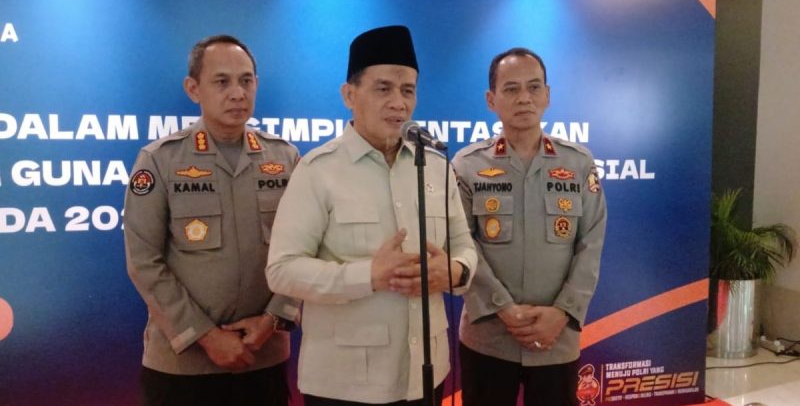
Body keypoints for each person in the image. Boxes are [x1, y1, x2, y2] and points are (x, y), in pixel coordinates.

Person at [266, 25, 478, 406]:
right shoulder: (318, 170)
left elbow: (464, 247)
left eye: (408, 90)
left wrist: (456, 270)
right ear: (349, 95)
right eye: (383, 89)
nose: (399, 102)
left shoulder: (435, 167)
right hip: (344, 385)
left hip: (427, 374)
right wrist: (370, 275)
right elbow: (282, 270)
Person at [124, 35, 300, 406]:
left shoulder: (285, 158)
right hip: (183, 367)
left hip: (262, 358)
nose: (238, 93)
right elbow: (144, 262)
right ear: (193, 89)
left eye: (246, 81)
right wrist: (205, 336)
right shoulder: (160, 160)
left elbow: (305, 250)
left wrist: (272, 320)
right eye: (222, 82)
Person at [452, 48, 607, 406]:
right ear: (491, 100)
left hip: (557, 338)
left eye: (534, 87)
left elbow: (591, 242)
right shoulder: (467, 165)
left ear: (547, 95)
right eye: (511, 89)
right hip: (488, 337)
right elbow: (461, 243)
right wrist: (504, 309)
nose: (524, 98)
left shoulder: (578, 163)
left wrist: (563, 312)